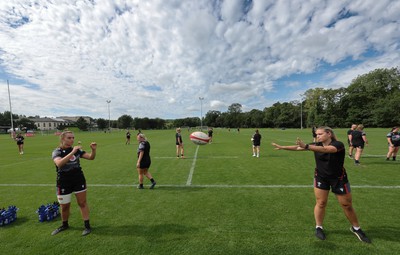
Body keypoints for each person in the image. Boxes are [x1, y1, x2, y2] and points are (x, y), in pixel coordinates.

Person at [271, 126, 371, 243]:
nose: (317, 136)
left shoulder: (338, 144)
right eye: (316, 134)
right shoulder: (316, 145)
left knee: (346, 205)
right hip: (321, 177)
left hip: (338, 178)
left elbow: (327, 150)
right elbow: (298, 147)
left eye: (320, 134)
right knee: (321, 202)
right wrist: (282, 147)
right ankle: (319, 227)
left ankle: (356, 228)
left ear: (329, 134)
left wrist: (307, 146)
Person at [51, 131, 97, 236]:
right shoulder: (57, 151)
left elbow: (91, 157)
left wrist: (93, 151)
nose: (72, 140)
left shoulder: (77, 150)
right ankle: (64, 225)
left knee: (82, 203)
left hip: (78, 179)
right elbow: (59, 164)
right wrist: (72, 152)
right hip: (63, 181)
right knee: (64, 206)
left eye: (73, 137)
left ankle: (87, 226)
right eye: (69, 138)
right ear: (63, 139)